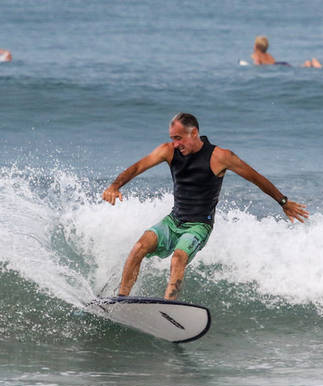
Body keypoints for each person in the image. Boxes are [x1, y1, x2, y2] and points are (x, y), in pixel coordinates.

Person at [101, 113, 309, 300]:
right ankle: (121, 299)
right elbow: (138, 166)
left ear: (194, 133)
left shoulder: (220, 157)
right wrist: (114, 185)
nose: (174, 144)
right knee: (139, 248)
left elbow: (255, 178)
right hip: (174, 219)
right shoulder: (168, 151)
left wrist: (283, 202)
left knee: (178, 259)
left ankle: (169, 307)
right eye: (173, 138)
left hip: (199, 226)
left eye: (179, 138)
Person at [251, 35, 321, 68]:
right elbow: (273, 61)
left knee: (297, 68)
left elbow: (257, 63)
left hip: (276, 65)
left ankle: (307, 64)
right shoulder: (268, 55)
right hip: (281, 63)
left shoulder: (256, 55)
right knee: (296, 67)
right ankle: (309, 64)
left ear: (256, 46)